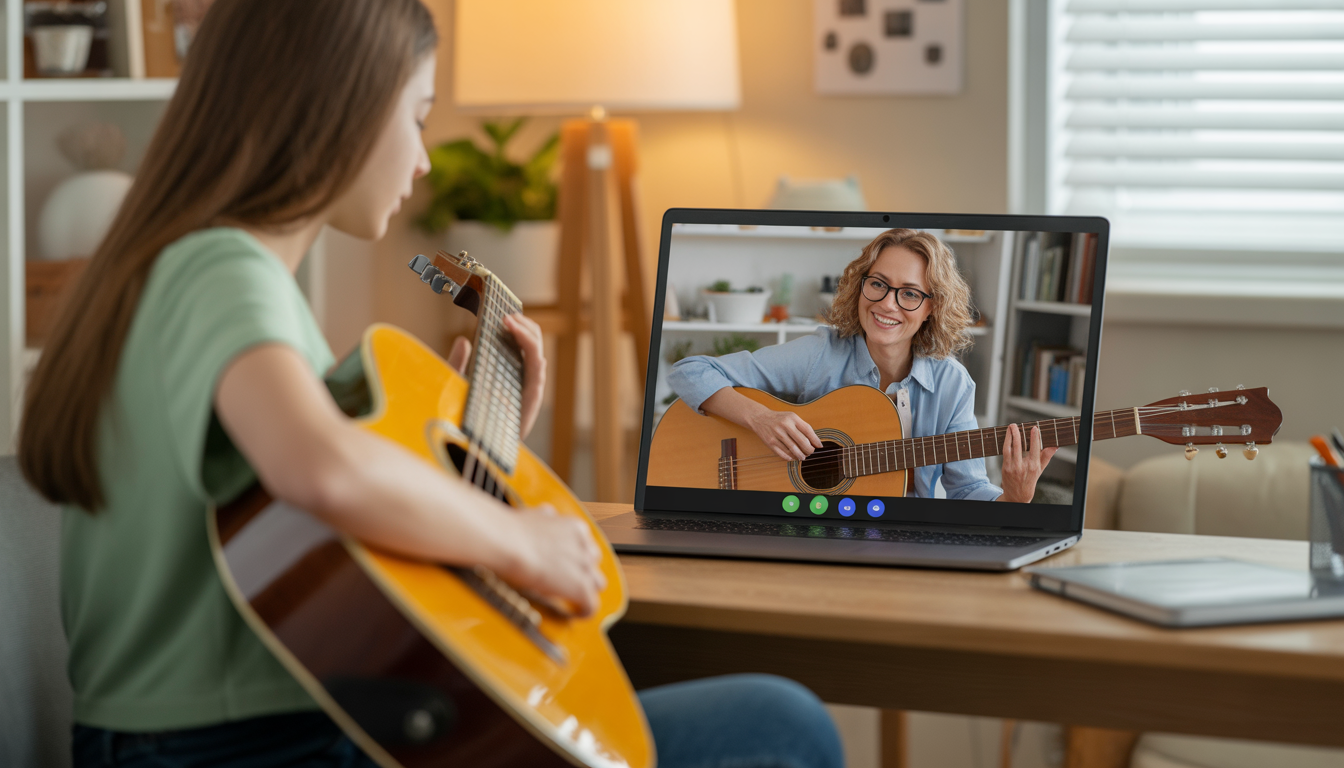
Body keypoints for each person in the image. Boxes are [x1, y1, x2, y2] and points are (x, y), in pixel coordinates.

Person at [16, 1, 844, 766]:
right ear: (336, 108)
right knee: (778, 726)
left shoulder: (194, 269)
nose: (421, 161)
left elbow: (315, 536)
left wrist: (479, 447)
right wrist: (522, 542)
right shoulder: (223, 267)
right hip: (237, 746)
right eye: (416, 119)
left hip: (237, 730)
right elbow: (322, 470)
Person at [667, 228, 1055, 503]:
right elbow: (689, 371)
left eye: (909, 293)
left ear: (931, 307)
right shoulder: (821, 353)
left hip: (904, 542)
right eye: (878, 284)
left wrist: (1014, 499)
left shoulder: (952, 383)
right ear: (860, 286)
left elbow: (968, 491)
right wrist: (761, 418)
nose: (887, 304)